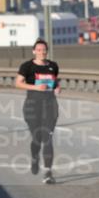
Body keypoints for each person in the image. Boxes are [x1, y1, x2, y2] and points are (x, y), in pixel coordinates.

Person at [14, 38, 60, 184]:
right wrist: (35, 87)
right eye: (39, 50)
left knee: (47, 138)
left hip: (50, 105)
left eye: (44, 50)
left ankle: (48, 173)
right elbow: (18, 83)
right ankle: (35, 158)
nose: (42, 52)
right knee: (37, 139)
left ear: (47, 51)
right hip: (32, 106)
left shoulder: (53, 65)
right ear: (34, 51)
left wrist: (57, 87)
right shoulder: (27, 66)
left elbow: (55, 80)